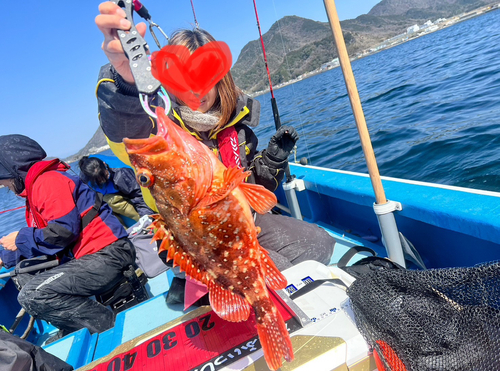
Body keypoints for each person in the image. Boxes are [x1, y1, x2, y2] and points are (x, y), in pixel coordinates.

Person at [94, 1, 335, 271]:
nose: (197, 89)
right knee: (270, 273)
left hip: (240, 217)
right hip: (195, 234)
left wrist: (271, 163)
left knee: (319, 244)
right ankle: (194, 281)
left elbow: (252, 188)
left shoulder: (236, 126)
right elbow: (126, 133)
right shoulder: (159, 130)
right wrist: (128, 81)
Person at [0, 134, 136, 336]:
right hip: (94, 255)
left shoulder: (47, 182)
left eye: (5, 180)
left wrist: (20, 238)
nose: (6, 186)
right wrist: (5, 258)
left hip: (109, 253)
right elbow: (46, 239)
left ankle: (109, 329)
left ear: (14, 171)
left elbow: (62, 233)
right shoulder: (39, 185)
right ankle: (75, 325)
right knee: (23, 273)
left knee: (32, 295)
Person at [78, 156, 154, 225]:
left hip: (126, 195)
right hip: (108, 196)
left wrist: (147, 216)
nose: (103, 180)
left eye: (104, 175)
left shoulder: (121, 174)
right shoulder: (86, 181)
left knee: (111, 201)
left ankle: (141, 221)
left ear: (104, 164)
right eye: (99, 180)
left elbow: (138, 195)